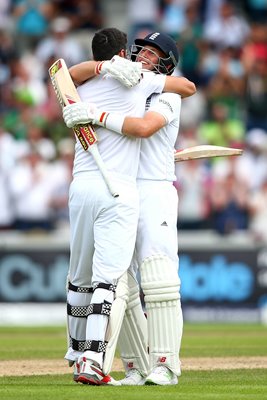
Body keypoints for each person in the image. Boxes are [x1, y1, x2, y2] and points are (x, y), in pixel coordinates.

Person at [63, 31, 196, 385]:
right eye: (142, 51)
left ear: (165, 63)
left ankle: (167, 365)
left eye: (153, 55)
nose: (144, 58)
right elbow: (65, 75)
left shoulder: (167, 92)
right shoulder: (124, 83)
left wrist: (95, 113)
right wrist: (104, 67)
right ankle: (136, 366)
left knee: (159, 279)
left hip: (154, 191)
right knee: (120, 284)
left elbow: (144, 127)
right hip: (123, 190)